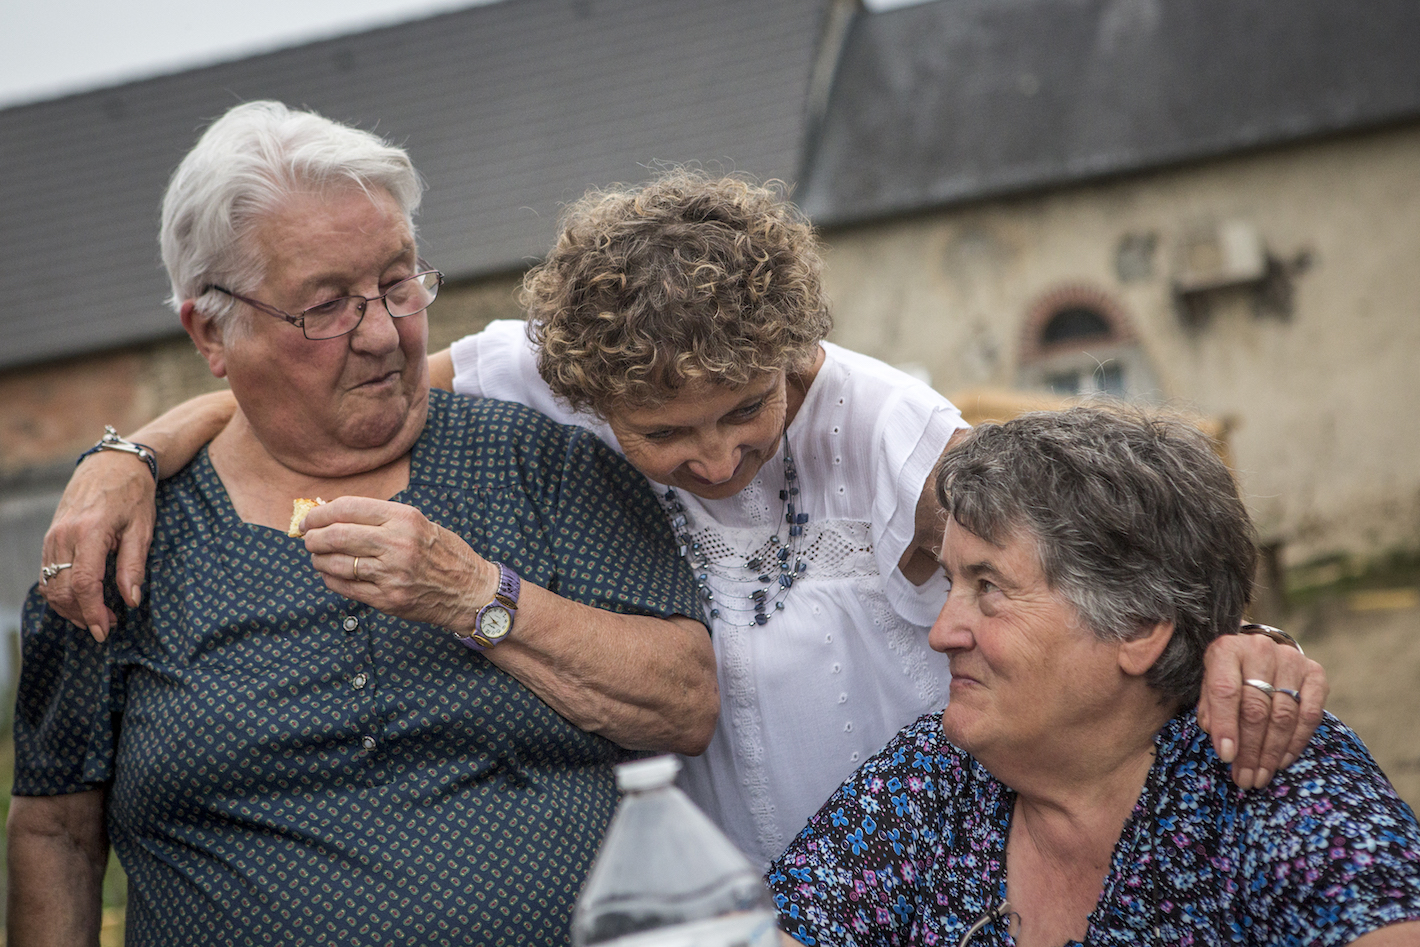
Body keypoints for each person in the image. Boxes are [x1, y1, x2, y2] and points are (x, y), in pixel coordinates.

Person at [37, 172, 1325, 868]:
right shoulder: (536, 371)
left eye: (746, 410)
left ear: (793, 350)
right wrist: (120, 460)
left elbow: (1088, 547)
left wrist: (1223, 633)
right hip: (698, 898)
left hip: (923, 879)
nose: (713, 454)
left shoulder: (881, 427)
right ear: (584, 387)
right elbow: (306, 391)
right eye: (665, 433)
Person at [8, 101, 718, 947]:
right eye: (326, 306)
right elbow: (55, 830)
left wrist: (475, 596)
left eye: (397, 281)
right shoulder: (121, 547)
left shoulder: (538, 461)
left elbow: (686, 701)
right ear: (211, 331)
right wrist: (125, 457)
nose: (384, 332)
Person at [767, 405, 1420, 947]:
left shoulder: (1263, 769)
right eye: (951, 582)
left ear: (1138, 625)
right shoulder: (936, 775)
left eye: (989, 586)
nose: (942, 631)